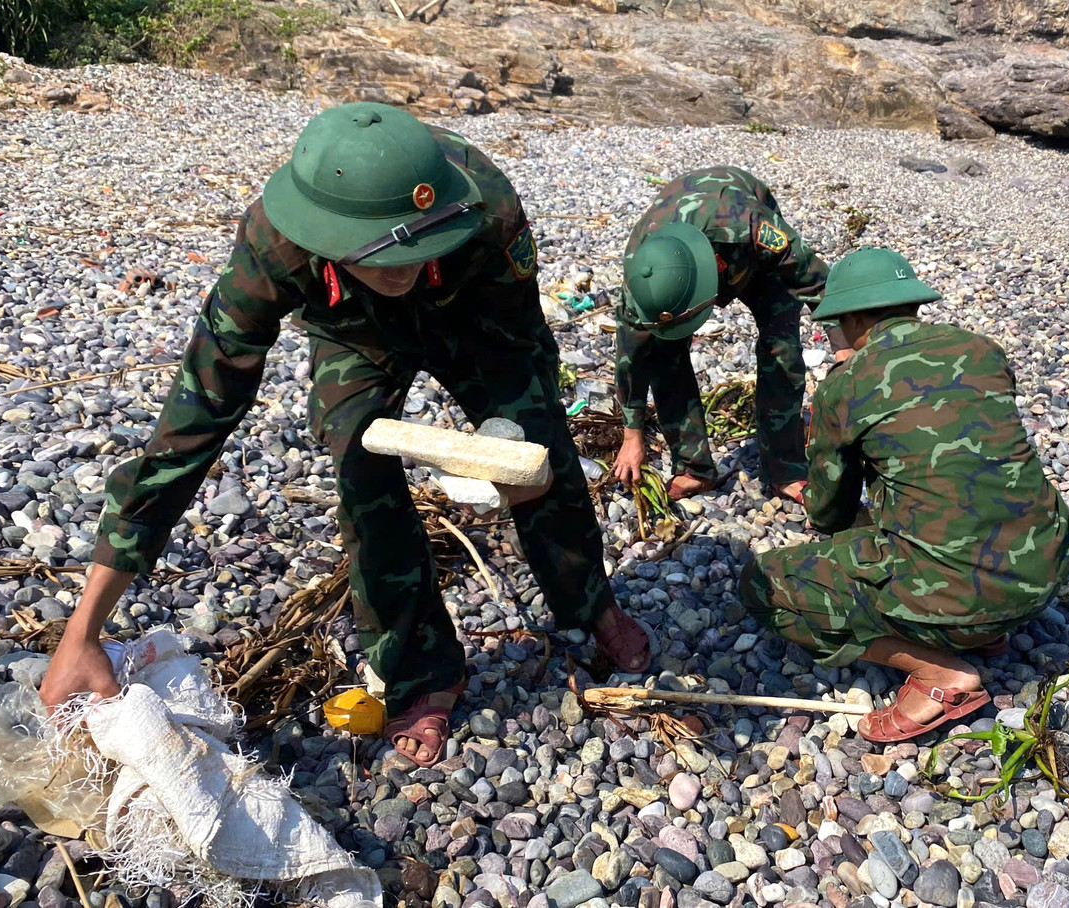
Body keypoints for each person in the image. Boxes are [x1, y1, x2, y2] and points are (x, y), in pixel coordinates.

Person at [39, 102, 649, 767]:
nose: (401, 269)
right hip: (355, 334)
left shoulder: (486, 213)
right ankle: (422, 669)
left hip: (473, 322)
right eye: (380, 255)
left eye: (415, 249)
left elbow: (523, 346)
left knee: (538, 458)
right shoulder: (275, 244)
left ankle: (592, 605)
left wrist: (513, 441)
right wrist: (84, 628)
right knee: (362, 478)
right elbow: (191, 423)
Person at [739, 247, 1069, 743]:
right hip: (1046, 571)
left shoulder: (847, 383)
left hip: (958, 595)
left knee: (760, 584)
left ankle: (941, 673)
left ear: (852, 319)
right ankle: (990, 630)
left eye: (833, 325)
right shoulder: (982, 350)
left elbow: (829, 512)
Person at [611, 167, 848, 504]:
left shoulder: (752, 228)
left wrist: (844, 349)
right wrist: (631, 432)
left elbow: (818, 282)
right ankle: (694, 468)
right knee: (665, 355)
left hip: (747, 249)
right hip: (682, 247)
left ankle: (786, 469)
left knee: (781, 349)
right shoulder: (644, 273)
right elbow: (630, 355)